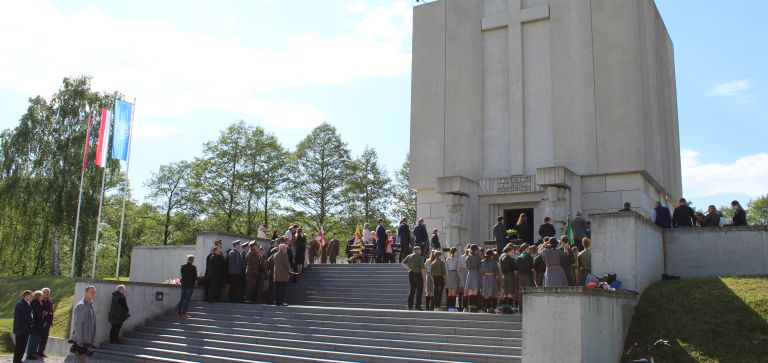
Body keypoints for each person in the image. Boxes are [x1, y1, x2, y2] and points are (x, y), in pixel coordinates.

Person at [71, 286, 97, 363]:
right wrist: (79, 340)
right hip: (81, 342)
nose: (93, 294)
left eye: (94, 292)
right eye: (91, 292)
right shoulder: (82, 305)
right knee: (80, 360)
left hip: (87, 340)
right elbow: (78, 324)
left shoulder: (89, 305)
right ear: (86, 293)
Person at [401, 245, 426, 310]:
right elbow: (423, 269)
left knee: (412, 290)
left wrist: (409, 269)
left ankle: (410, 306)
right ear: (416, 250)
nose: (421, 251)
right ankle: (418, 306)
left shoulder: (409, 256)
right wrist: (424, 278)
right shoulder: (420, 258)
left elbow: (403, 263)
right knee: (419, 291)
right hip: (418, 274)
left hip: (411, 274)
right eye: (419, 249)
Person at [13, 290, 34, 363]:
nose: (32, 297)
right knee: (20, 346)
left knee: (21, 346)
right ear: (26, 296)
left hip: (21, 329)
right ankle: (17, 360)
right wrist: (32, 323)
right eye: (31, 296)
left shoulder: (22, 303)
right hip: (22, 329)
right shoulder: (23, 304)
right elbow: (27, 317)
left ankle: (18, 360)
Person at [480, 249, 501, 313]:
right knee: (493, 293)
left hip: (485, 278)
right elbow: (497, 271)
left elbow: (481, 271)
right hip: (492, 278)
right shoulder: (494, 262)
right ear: (491, 255)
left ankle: (486, 308)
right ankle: (492, 308)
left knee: (486, 293)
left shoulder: (482, 261)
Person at [499, 244, 517, 314]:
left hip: (505, 276)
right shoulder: (512, 260)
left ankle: (505, 308)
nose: (512, 251)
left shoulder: (502, 259)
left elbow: (501, 269)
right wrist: (514, 277)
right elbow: (515, 270)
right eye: (511, 250)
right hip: (510, 276)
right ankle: (509, 308)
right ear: (509, 251)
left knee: (505, 293)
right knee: (510, 293)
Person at [464, 244, 483, 312]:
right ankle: (474, 306)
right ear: (476, 250)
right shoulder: (478, 257)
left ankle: (470, 306)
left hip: (469, 273)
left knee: (470, 291)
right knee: (475, 291)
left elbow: (467, 266)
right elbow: (479, 266)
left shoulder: (467, 257)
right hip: (476, 273)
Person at [26, 291, 44, 361]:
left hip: (39, 325)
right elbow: (37, 314)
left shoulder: (40, 303)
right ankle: (29, 355)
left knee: (37, 340)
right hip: (35, 325)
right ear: (38, 296)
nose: (42, 297)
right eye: (41, 296)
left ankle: (33, 353)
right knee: (33, 340)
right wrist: (42, 320)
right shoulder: (34, 303)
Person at [38, 288, 54, 358]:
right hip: (41, 321)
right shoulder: (40, 299)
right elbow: (39, 309)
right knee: (38, 337)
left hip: (48, 321)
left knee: (45, 338)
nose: (47, 293)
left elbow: (51, 309)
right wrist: (44, 311)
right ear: (42, 292)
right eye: (45, 292)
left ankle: (41, 352)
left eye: (48, 292)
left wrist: (50, 321)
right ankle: (36, 352)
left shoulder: (49, 300)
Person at [444, 247, 460, 312]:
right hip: (455, 273)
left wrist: (447, 277)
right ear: (455, 252)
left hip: (449, 274)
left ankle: (449, 307)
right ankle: (453, 307)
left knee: (450, 291)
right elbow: (458, 268)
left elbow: (446, 269)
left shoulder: (447, 259)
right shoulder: (457, 259)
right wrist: (459, 276)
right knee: (454, 291)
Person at [457, 246, 469, 312]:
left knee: (470, 290)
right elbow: (459, 267)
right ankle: (464, 306)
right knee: (464, 291)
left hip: (469, 271)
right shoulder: (462, 257)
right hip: (464, 272)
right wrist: (460, 276)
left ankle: (469, 305)